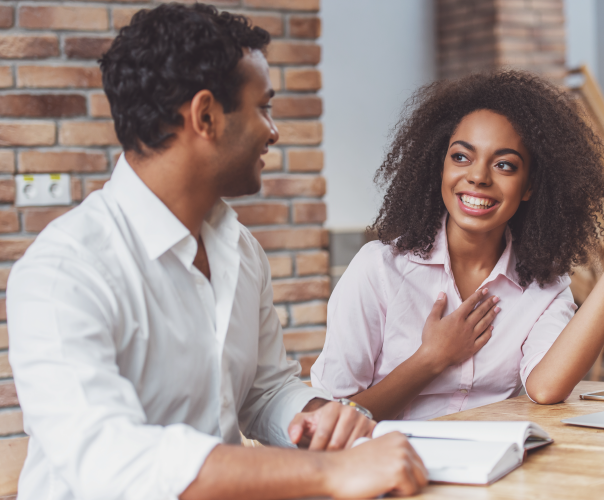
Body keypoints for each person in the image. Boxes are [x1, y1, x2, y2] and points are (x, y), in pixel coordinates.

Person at [7, 4, 426, 499]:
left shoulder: (240, 249)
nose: (274, 131)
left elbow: (264, 391)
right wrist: (330, 476)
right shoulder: (65, 271)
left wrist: (319, 419)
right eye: (263, 107)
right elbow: (109, 460)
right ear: (206, 116)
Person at [310, 71, 604, 421]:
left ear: (529, 187)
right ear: (438, 166)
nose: (478, 177)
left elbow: (546, 388)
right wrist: (431, 358)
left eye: (504, 164)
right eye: (461, 157)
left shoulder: (543, 284)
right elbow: (330, 417)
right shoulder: (379, 270)